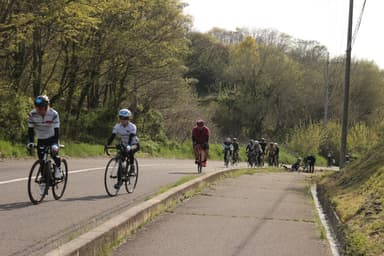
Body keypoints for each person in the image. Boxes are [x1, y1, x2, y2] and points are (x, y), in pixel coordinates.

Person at [27, 95, 62, 195]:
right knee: (42, 162)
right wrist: (30, 141)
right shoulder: (32, 114)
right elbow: (30, 130)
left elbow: (57, 131)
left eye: (42, 108)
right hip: (41, 138)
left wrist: (55, 144)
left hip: (52, 137)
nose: (40, 110)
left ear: (47, 107)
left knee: (54, 152)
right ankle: (44, 183)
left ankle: (58, 168)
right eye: (38, 108)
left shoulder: (54, 114)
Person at [105, 108, 140, 189]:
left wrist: (128, 146)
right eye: (121, 118)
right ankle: (119, 181)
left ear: (128, 119)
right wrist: (107, 144)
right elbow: (112, 136)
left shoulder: (132, 126)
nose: (123, 120)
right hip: (124, 144)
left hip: (134, 144)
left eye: (125, 118)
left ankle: (132, 167)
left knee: (130, 150)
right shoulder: (117, 126)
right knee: (120, 160)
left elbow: (131, 137)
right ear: (119, 118)